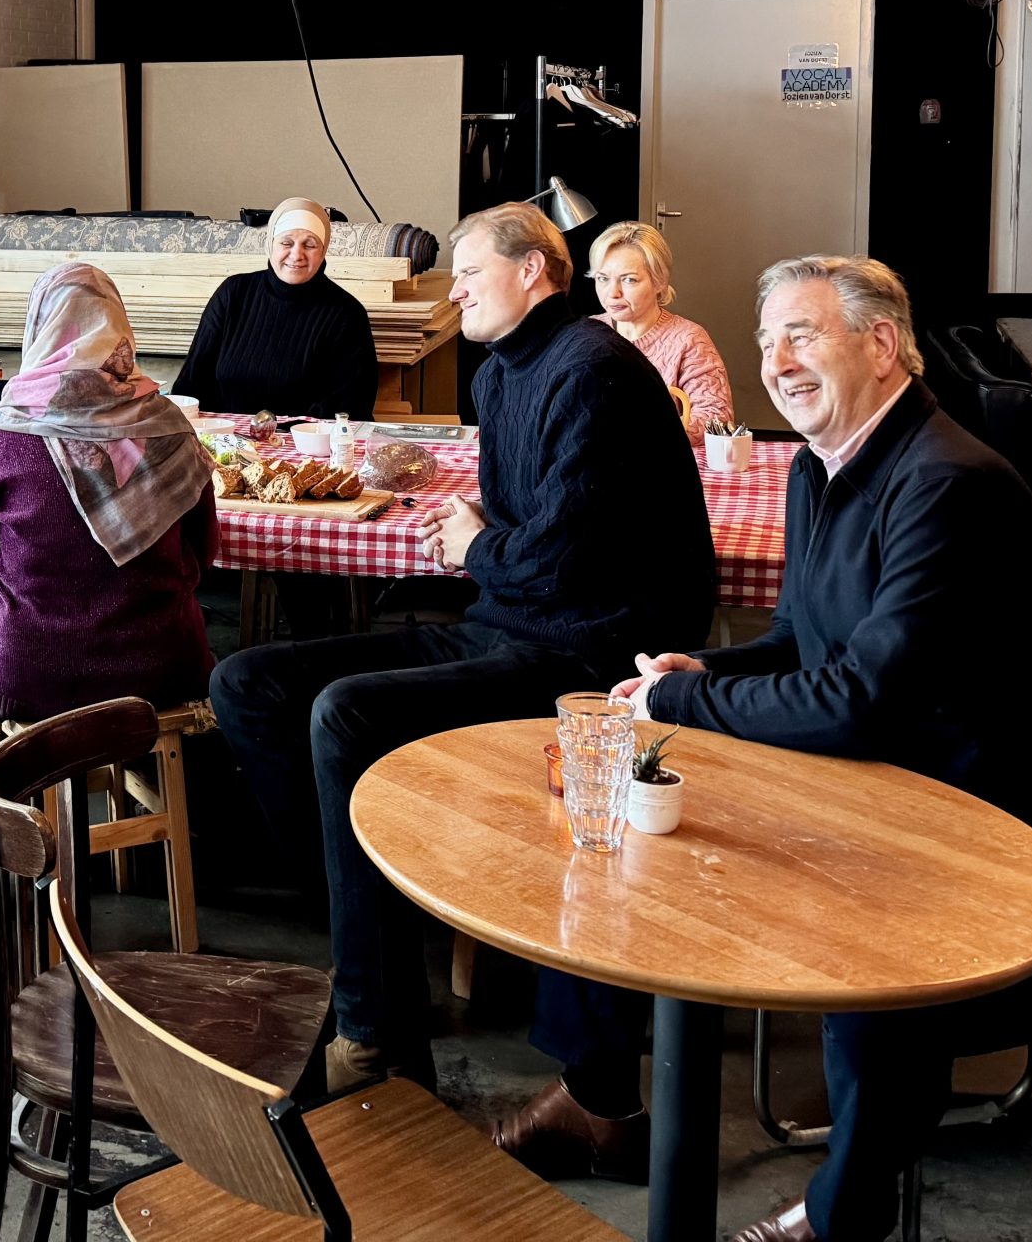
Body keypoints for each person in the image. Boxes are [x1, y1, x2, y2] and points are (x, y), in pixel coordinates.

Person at [498, 255, 1032, 1242]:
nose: (775, 360)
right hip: (886, 764)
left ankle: (845, 1213)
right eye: (765, 338)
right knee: (613, 822)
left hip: (986, 807)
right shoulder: (819, 463)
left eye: (802, 334)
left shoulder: (944, 481)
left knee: (855, 901)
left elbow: (864, 698)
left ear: (879, 344)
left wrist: (683, 704)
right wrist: (696, 673)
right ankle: (599, 1094)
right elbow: (802, 642)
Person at [209, 202, 714, 1090]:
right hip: (510, 623)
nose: (457, 292)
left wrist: (475, 548)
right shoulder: (498, 377)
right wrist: (484, 539)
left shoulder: (591, 370)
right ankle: (377, 924)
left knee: (346, 709)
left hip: (592, 655)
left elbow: (557, 559)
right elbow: (518, 537)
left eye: (471, 273)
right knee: (248, 683)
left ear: (533, 273)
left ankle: (376, 1024)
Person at [0, 262, 215, 725]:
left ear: (40, 330)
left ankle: (3, 790)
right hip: (163, 667)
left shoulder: (3, 435)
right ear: (119, 331)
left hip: (31, 671)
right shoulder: (169, 425)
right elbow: (205, 552)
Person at [173, 197, 378, 420]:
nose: (297, 254)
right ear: (270, 244)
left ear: (324, 250)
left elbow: (351, 405)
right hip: (225, 439)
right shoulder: (233, 294)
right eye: (286, 243)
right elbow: (191, 385)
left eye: (309, 245)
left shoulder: (346, 313)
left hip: (305, 444)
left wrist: (278, 435)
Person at [587, 219, 732, 443]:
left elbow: (716, 417)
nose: (612, 293)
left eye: (629, 280)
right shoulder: (587, 334)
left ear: (659, 282)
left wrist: (645, 435)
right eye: (603, 279)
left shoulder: (688, 339)